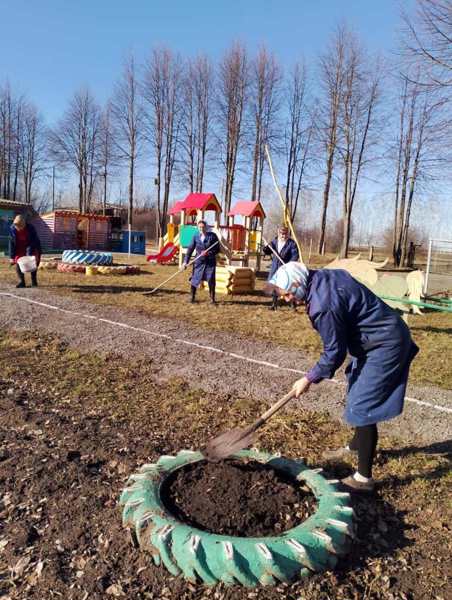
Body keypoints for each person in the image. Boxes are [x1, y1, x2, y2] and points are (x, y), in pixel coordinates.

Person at [266, 261, 419, 493]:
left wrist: (308, 379)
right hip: (375, 339)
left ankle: (363, 479)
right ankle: (357, 445)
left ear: (298, 284)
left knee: (363, 404)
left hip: (385, 343)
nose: (288, 300)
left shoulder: (322, 305)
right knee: (356, 387)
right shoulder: (321, 277)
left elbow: (334, 353)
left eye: (288, 294)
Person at [183, 220, 220, 304]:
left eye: (203, 227)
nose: (201, 229)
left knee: (211, 279)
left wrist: (208, 253)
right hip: (199, 261)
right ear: (198, 227)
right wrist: (185, 261)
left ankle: (212, 299)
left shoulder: (212, 236)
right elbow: (190, 249)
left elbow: (217, 249)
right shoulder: (195, 236)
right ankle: (192, 297)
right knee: (195, 278)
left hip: (210, 261)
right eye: (200, 227)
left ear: (206, 227)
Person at [263, 225, 299, 310]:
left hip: (286, 267)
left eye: (285, 234)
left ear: (288, 234)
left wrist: (289, 264)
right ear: (278, 233)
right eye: (281, 233)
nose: (283, 236)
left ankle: (292, 304)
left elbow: (295, 255)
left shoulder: (291, 243)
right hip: (275, 267)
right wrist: (265, 248)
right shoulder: (274, 242)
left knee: (288, 286)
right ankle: (274, 305)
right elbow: (268, 251)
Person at [9, 214, 42, 288]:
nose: (18, 227)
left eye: (19, 226)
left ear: (23, 224)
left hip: (32, 246)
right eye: (16, 226)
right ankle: (22, 282)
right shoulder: (12, 229)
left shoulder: (31, 228)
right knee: (18, 262)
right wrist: (11, 256)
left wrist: (29, 254)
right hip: (19, 247)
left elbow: (33, 242)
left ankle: (34, 282)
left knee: (33, 262)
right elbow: (11, 243)